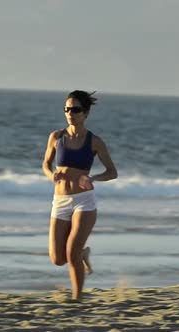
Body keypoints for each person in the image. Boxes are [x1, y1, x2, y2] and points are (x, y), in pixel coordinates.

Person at [42, 90, 118, 301]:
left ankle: (77, 299)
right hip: (60, 201)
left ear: (85, 113)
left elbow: (112, 172)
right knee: (58, 258)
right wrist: (51, 175)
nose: (70, 113)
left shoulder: (95, 141)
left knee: (71, 252)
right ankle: (84, 253)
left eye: (75, 109)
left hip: (84, 202)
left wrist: (93, 179)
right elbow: (46, 164)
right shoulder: (56, 137)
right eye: (67, 109)